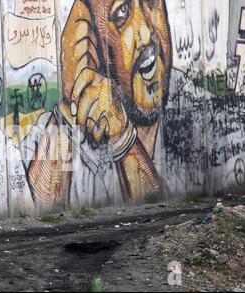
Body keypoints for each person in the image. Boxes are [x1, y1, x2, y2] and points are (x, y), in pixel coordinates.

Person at [25, 0, 172, 207]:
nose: (147, 33)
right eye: (122, 12)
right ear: (95, 39)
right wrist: (70, 107)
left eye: (151, 2)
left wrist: (124, 141)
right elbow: (40, 212)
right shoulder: (51, 132)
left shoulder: (198, 106)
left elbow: (160, 214)